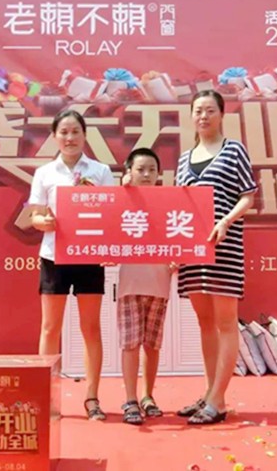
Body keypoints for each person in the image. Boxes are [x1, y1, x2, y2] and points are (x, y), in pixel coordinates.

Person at [175, 90, 257, 425]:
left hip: (224, 247)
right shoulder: (184, 158)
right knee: (204, 323)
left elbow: (248, 196)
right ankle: (210, 392)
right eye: (198, 111)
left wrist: (225, 221)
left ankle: (219, 400)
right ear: (191, 116)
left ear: (222, 115)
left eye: (210, 110)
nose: (203, 116)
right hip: (192, 252)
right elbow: (177, 207)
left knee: (225, 323)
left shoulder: (234, 150)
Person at [28, 109, 115, 421]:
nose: (70, 137)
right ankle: (47, 398)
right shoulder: (44, 173)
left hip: (89, 256)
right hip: (54, 256)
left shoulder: (101, 171)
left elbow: (111, 213)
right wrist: (43, 222)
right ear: (54, 136)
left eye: (75, 131)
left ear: (85, 135)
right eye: (63, 132)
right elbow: (35, 215)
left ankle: (92, 397)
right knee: (50, 327)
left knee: (90, 327)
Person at [116, 148, 174, 425]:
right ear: (129, 171)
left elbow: (181, 238)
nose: (147, 174)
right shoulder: (122, 200)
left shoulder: (170, 204)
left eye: (152, 169)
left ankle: (147, 396)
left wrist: (179, 257)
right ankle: (130, 399)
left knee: (152, 344)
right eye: (140, 169)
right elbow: (108, 220)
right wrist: (123, 189)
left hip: (160, 282)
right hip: (130, 283)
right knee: (130, 344)